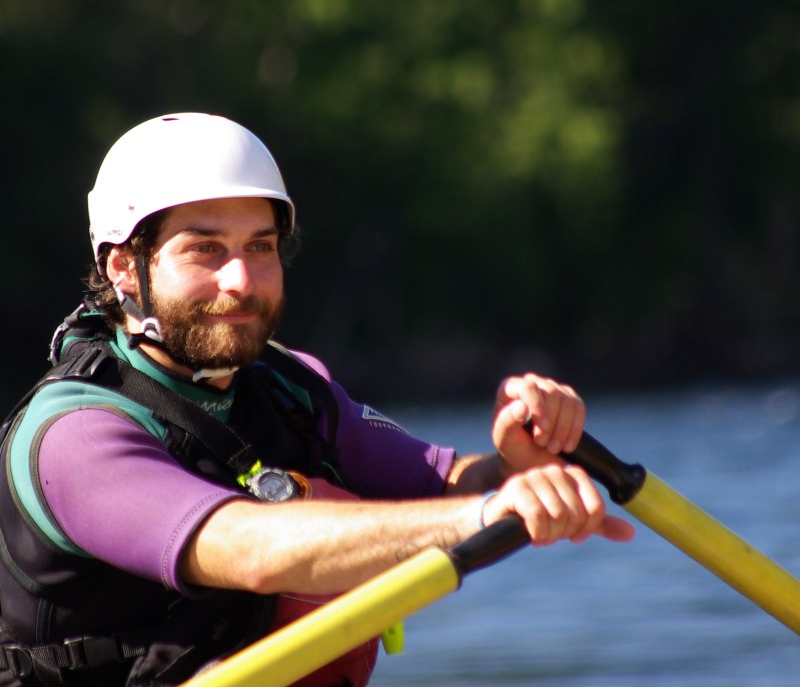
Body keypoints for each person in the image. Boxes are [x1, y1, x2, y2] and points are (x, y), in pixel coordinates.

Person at [0, 113, 634, 687]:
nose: (241, 280)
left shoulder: (291, 388)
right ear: (123, 268)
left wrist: (513, 465)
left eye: (260, 246)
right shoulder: (75, 434)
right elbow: (253, 550)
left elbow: (445, 485)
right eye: (205, 249)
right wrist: (488, 513)